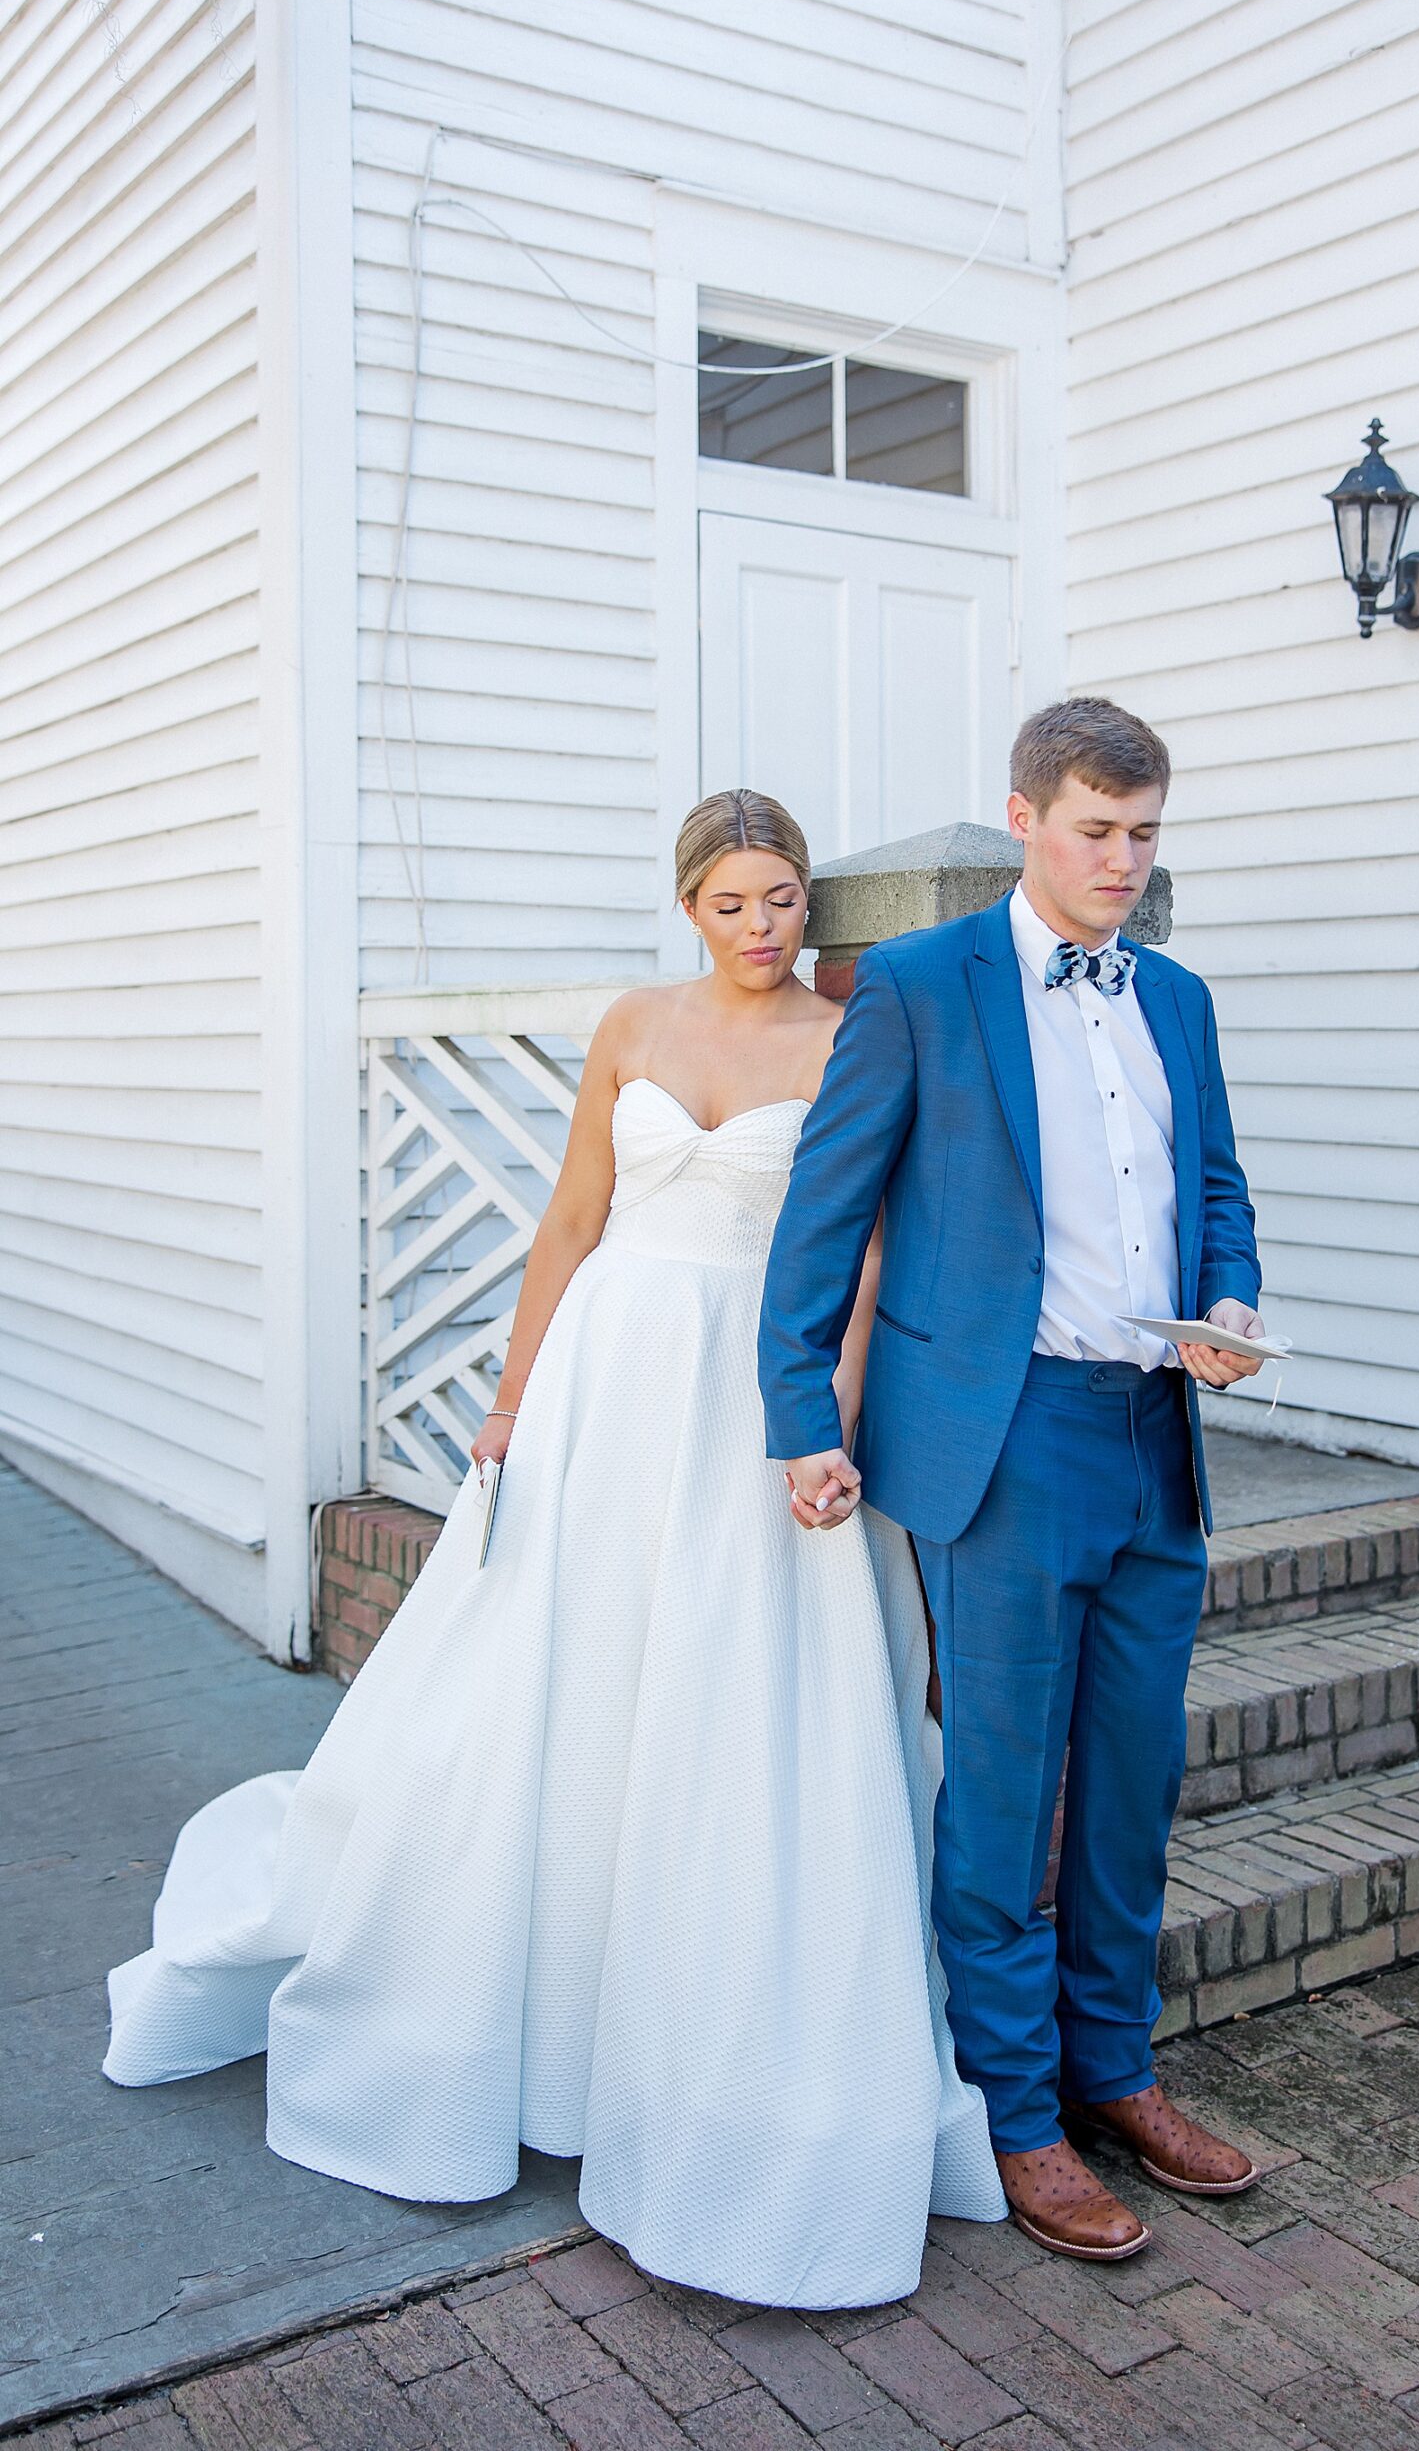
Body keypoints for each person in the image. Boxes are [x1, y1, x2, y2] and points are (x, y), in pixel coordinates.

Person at [103, 788, 1004, 2310]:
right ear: (688, 907)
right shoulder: (631, 1028)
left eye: (783, 898)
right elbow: (572, 1220)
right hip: (607, 1376)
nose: (762, 927)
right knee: (565, 1678)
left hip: (754, 1385)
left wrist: (835, 1411)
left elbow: (858, 1248)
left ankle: (695, 2060)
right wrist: (514, 1400)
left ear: (810, 908)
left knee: (729, 1684)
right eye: (732, 902)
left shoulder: (848, 1039)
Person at [759, 697, 1266, 2263]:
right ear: (1027, 816)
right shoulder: (917, 984)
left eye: (1145, 834)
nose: (1123, 860)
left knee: (1130, 1787)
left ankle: (1118, 2074)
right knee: (999, 1793)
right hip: (1001, 1441)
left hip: (1154, 1434)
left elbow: (1221, 1189)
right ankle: (1018, 2112)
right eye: (1097, 830)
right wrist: (800, 1414)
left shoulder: (1175, 998)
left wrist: (1231, 1306)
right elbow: (822, 1214)